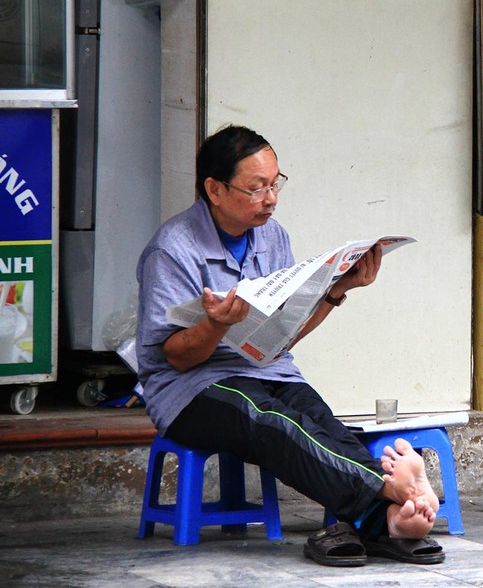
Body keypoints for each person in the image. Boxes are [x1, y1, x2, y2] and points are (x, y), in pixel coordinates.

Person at [136, 124, 442, 567]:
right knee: (270, 421)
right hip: (192, 389)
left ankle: (382, 522)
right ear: (214, 189)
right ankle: (389, 490)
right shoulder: (172, 249)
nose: (271, 198)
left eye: (275, 184)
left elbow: (282, 334)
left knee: (319, 420)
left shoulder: (272, 236)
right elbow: (177, 356)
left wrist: (338, 290)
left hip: (267, 368)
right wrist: (216, 326)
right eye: (256, 188)